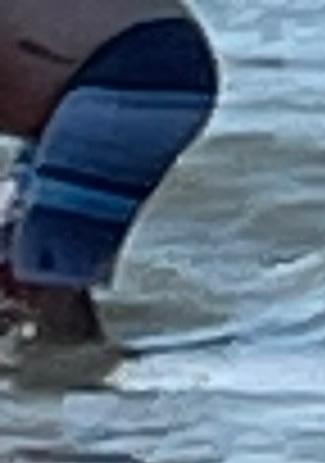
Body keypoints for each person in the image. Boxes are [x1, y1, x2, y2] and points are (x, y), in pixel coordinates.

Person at [1, 2, 219, 343]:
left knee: (48, 269)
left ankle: (71, 376)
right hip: (113, 67)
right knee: (12, 262)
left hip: (141, 67)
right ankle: (49, 372)